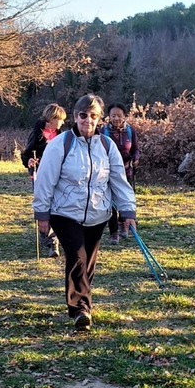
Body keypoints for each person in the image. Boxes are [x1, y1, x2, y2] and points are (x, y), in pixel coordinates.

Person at [32, 94, 136, 331]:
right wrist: (42, 214)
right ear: (75, 117)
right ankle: (81, 309)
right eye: (83, 115)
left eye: (93, 116)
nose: (87, 120)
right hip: (64, 213)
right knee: (77, 257)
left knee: (87, 261)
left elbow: (119, 181)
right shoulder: (60, 144)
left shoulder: (107, 146)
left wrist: (128, 211)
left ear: (100, 119)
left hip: (98, 214)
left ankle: (79, 304)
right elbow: (45, 181)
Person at [21, 103, 68, 258]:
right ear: (52, 119)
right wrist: (29, 162)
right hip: (40, 175)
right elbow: (26, 154)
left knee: (57, 205)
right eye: (60, 120)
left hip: (59, 176)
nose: (62, 123)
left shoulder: (62, 136)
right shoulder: (37, 134)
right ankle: (48, 238)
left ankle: (54, 238)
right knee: (44, 205)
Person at [102, 103, 140, 245]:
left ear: (124, 116)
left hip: (127, 170)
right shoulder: (103, 132)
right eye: (113, 116)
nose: (116, 118)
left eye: (119, 115)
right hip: (109, 172)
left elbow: (136, 149)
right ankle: (113, 233)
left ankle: (123, 225)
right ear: (109, 117)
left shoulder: (130, 131)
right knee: (111, 202)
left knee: (124, 198)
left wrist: (136, 158)